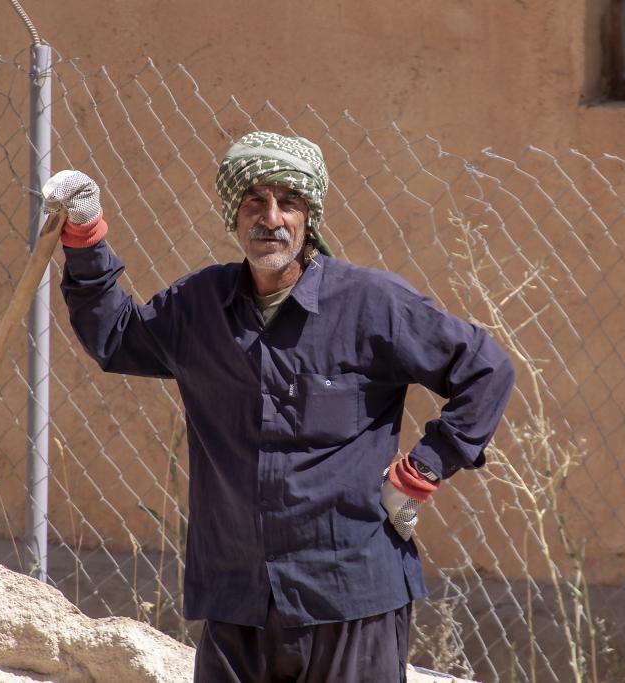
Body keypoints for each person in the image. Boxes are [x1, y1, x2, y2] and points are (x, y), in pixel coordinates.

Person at [43, 132, 514, 683]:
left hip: (349, 596)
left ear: (309, 216)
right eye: (254, 202)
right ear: (233, 215)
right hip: (237, 596)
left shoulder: (372, 304)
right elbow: (116, 337)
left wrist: (424, 468)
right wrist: (84, 233)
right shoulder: (201, 307)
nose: (272, 218)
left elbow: (487, 369)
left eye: (289, 202)